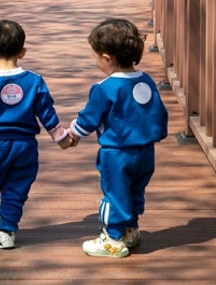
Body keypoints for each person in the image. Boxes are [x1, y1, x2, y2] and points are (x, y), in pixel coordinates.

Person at [0, 19, 75, 249]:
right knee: (17, 187)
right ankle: (7, 231)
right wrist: (62, 138)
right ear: (22, 52)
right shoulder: (34, 81)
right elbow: (47, 114)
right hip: (25, 145)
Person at [69, 18, 169, 258]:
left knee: (115, 194)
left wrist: (73, 132)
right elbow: (159, 113)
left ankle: (113, 238)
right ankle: (130, 230)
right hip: (145, 152)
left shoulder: (105, 87)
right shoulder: (145, 80)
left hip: (117, 153)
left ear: (107, 58)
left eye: (95, 57)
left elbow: (89, 119)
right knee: (135, 191)